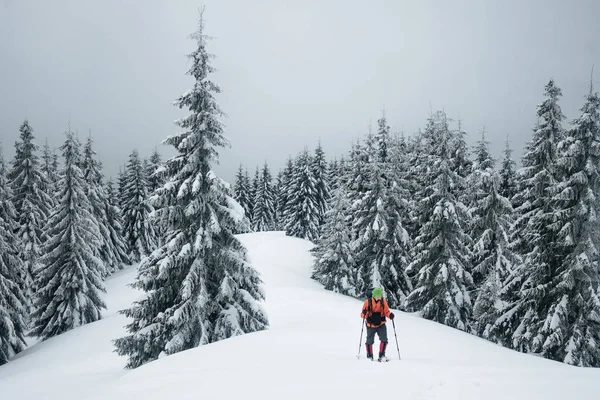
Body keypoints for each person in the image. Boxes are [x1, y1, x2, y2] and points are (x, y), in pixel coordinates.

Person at [360, 287, 394, 361]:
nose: (380, 297)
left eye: (380, 295)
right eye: (378, 296)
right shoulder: (367, 302)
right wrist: (364, 313)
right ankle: (369, 356)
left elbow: (386, 312)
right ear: (374, 295)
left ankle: (382, 355)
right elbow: (362, 315)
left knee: (384, 339)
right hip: (370, 325)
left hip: (381, 324)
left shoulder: (383, 301)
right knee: (369, 341)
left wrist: (390, 315)